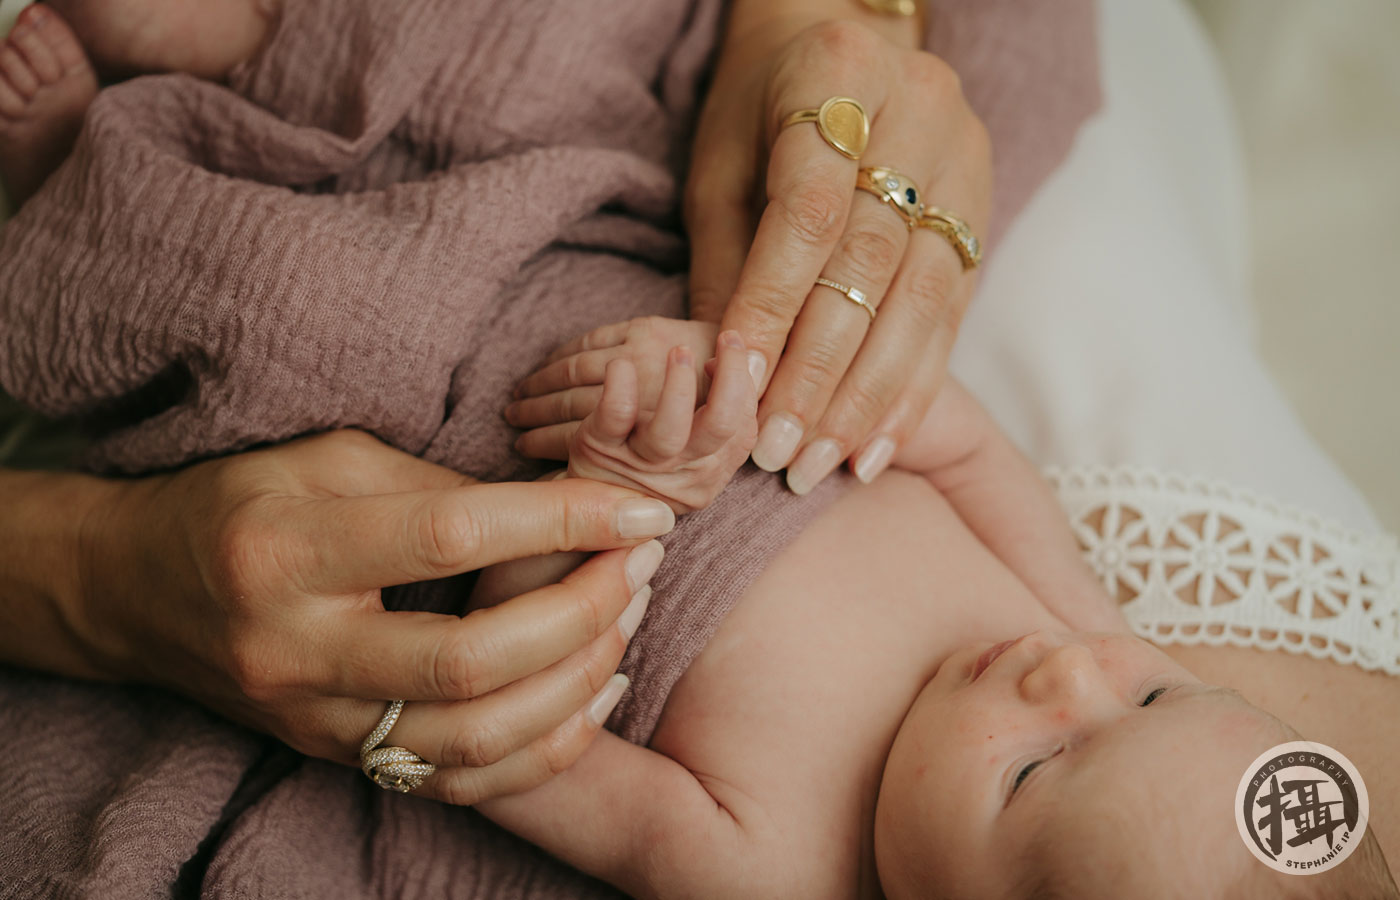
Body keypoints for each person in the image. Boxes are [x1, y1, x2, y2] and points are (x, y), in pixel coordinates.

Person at [473, 315, 1399, 897]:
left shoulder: (777, 869)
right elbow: (965, 449)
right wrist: (758, 382)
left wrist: (609, 489)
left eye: (1034, 771)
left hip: (525, 456)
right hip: (707, 342)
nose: (1067, 670)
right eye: (1159, 696)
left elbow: (514, 741)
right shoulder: (1087, 627)